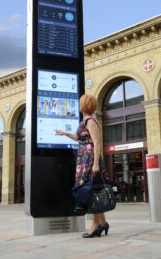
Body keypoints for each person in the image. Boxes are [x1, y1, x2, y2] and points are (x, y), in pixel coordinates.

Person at [55, 94, 109, 238]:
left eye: (80, 103)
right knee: (94, 190)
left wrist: (96, 163)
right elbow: (79, 138)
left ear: (84, 105)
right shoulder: (85, 120)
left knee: (91, 191)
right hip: (85, 158)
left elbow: (97, 143)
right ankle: (103, 223)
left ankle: (95, 225)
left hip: (90, 159)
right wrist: (65, 133)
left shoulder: (91, 121)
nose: (79, 105)